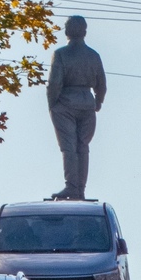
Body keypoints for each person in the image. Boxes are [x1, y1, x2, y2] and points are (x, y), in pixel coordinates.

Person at [47, 16, 106, 200]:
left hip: (65, 103)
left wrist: (52, 105)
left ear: (66, 32)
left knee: (69, 147)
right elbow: (102, 85)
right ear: (85, 32)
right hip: (87, 103)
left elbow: (54, 84)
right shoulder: (93, 55)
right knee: (83, 146)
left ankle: (72, 187)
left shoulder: (61, 54)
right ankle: (80, 189)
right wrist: (97, 102)